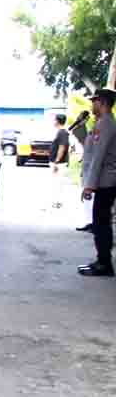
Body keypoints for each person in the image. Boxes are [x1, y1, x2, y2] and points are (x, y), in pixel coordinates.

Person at [79, 89, 116, 277]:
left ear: (102, 102)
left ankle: (105, 263)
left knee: (101, 224)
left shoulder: (107, 124)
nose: (92, 104)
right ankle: (101, 260)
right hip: (101, 180)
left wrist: (90, 185)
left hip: (105, 181)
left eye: (94, 101)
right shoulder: (101, 123)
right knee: (100, 223)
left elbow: (99, 156)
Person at [50, 113, 71, 210]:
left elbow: (62, 147)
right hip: (58, 162)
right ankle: (56, 201)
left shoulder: (62, 133)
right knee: (56, 183)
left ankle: (58, 202)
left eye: (54, 120)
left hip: (60, 163)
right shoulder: (60, 132)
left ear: (57, 121)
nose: (53, 121)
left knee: (58, 183)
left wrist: (56, 162)